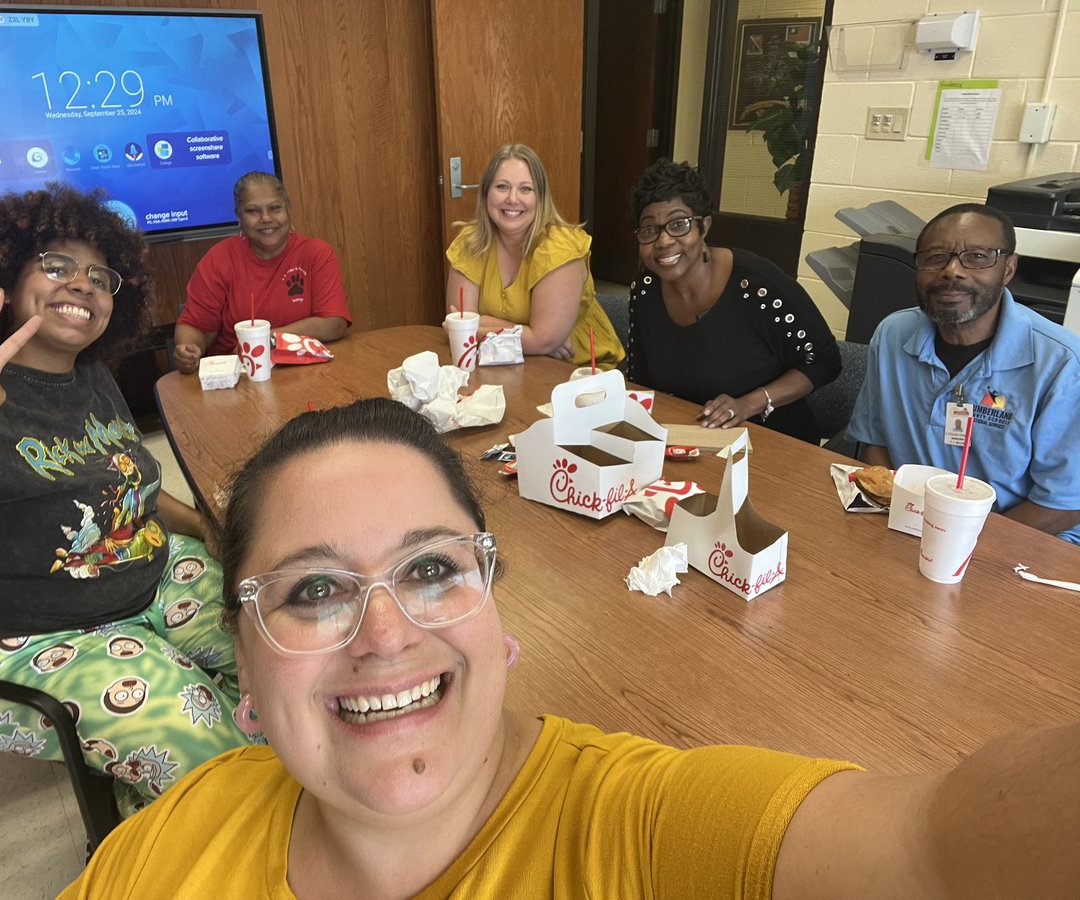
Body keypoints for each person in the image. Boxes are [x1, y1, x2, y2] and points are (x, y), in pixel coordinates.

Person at [63, 397, 1079, 898]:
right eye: (315, 590)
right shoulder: (170, 845)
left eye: (430, 570)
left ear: (498, 621)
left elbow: (937, 853)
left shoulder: (632, 833)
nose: (384, 636)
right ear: (239, 665)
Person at [0, 185, 250, 815]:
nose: (83, 284)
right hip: (15, 640)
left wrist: (207, 528)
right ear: (3, 277)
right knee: (210, 756)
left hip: (150, 582)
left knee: (289, 649)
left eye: (100, 276)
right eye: (56, 266)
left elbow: (122, 494)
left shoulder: (92, 378)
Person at [846, 203, 1080, 545]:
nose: (952, 270)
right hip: (913, 528)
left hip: (1022, 539)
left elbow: (1064, 505)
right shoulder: (893, 335)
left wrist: (957, 541)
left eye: (977, 256)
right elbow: (875, 443)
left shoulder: (1061, 364)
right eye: (935, 256)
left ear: (1009, 268)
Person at [625, 159, 840, 443]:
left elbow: (824, 360)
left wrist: (748, 403)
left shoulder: (757, 286)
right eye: (649, 230)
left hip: (772, 441)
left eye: (679, 224)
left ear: (704, 227)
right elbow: (639, 378)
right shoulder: (645, 289)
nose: (663, 241)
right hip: (688, 439)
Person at [445, 143, 624, 369]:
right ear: (485, 193)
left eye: (526, 189)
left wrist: (538, 340)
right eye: (502, 186)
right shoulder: (470, 243)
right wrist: (532, 338)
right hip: (499, 361)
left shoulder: (559, 248)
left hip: (577, 369)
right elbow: (458, 325)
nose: (512, 199)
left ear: (541, 197)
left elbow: (468, 328)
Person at [173, 171, 351, 374]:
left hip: (306, 372)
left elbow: (334, 324)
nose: (266, 218)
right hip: (239, 378)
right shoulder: (218, 259)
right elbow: (195, 327)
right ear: (239, 216)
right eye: (253, 211)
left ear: (288, 209)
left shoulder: (316, 253)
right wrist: (189, 350)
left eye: (275, 208)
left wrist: (268, 338)